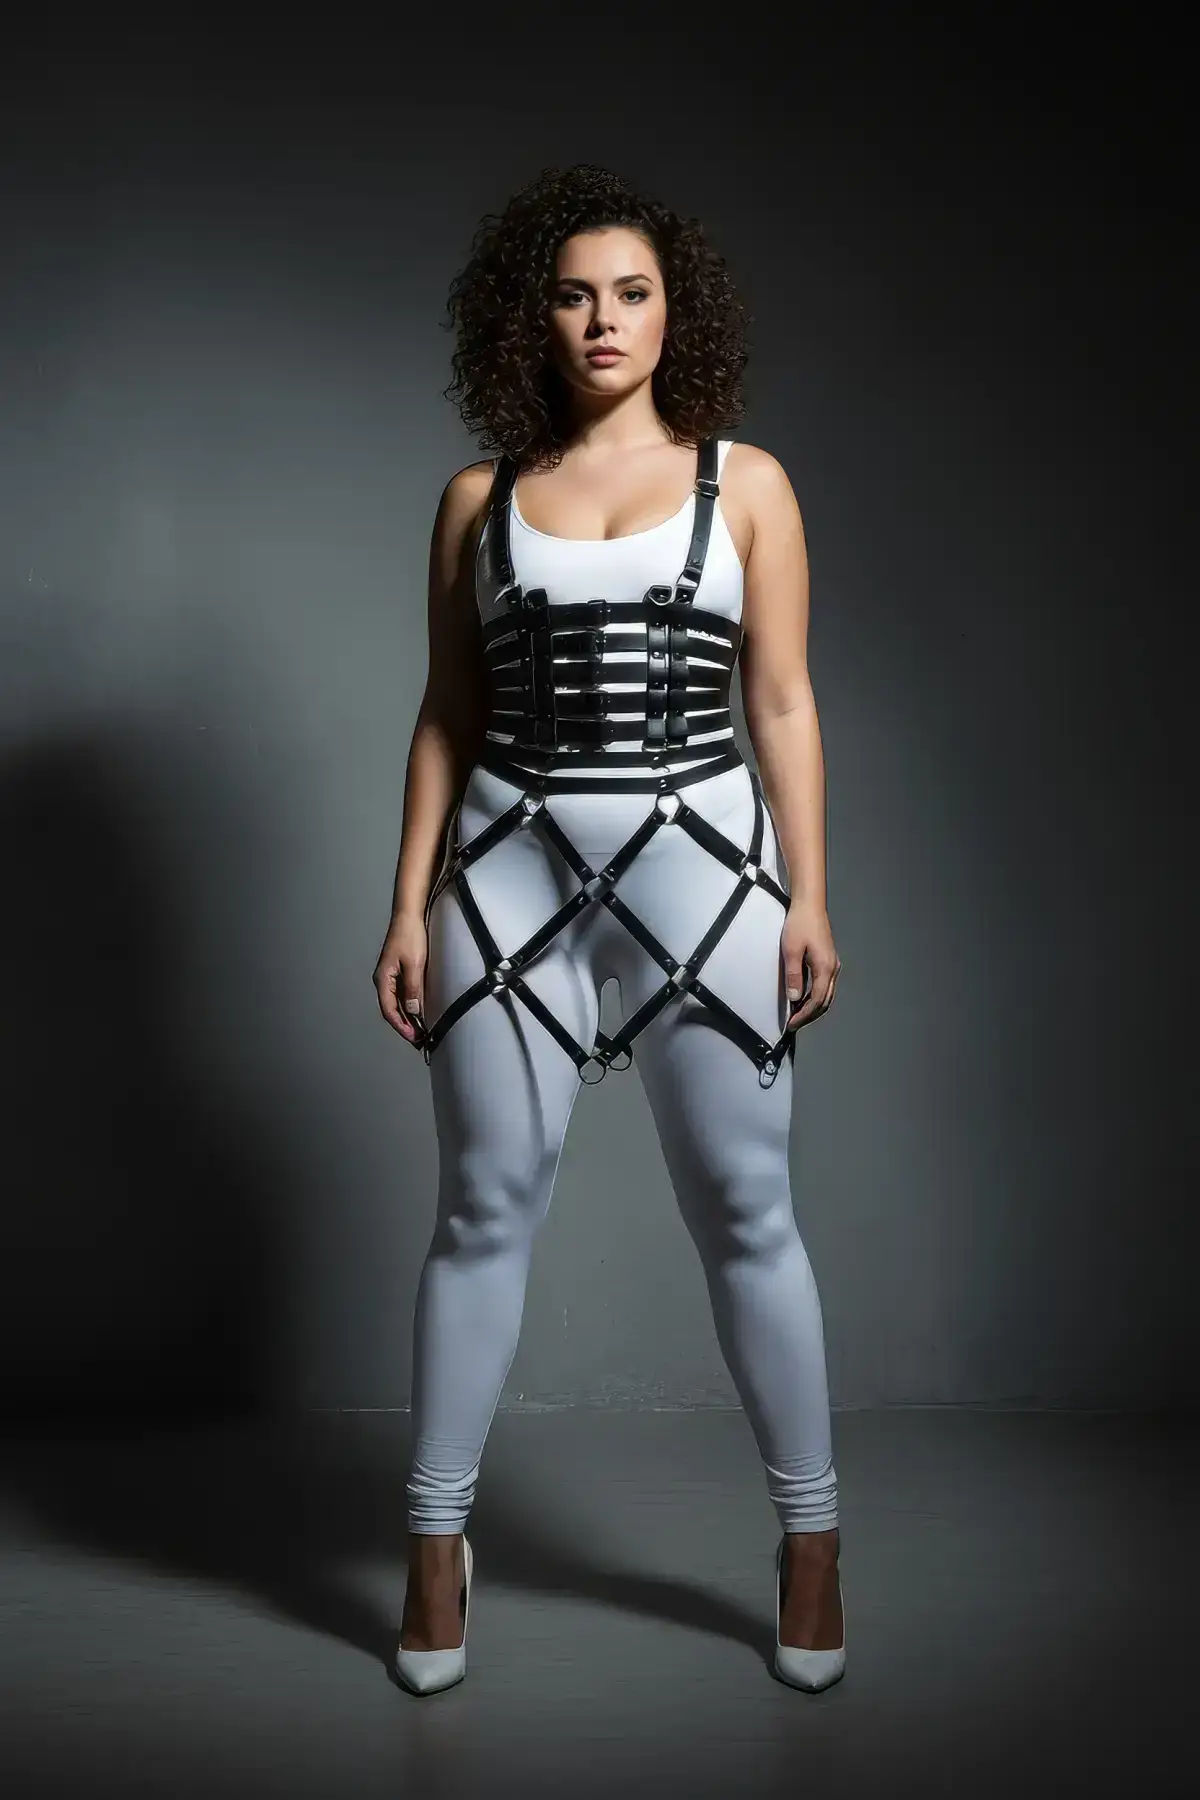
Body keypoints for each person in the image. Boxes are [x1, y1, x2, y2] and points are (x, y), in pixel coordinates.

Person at [373, 164, 844, 1695]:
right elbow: (447, 712)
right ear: (533, 317)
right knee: (480, 1210)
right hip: (503, 871)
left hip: (707, 872)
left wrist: (813, 894)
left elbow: (782, 699)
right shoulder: (477, 499)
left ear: (673, 312)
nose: (603, 320)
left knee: (748, 1210)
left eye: (632, 292)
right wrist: (403, 904)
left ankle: (812, 1540)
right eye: (574, 293)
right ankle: (434, 1545)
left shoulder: (748, 485)